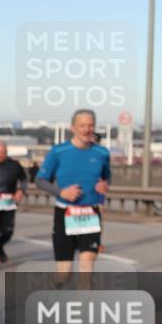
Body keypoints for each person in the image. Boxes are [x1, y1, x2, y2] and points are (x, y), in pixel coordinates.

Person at [35, 110, 111, 287]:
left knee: (86, 268)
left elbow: (107, 177)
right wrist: (61, 192)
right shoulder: (59, 151)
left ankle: (84, 311)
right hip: (65, 213)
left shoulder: (102, 152)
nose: (87, 129)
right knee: (64, 274)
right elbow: (40, 180)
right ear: (73, 128)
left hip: (90, 213)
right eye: (82, 125)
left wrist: (105, 185)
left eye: (90, 125)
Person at [0, 142, 29, 270]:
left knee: (7, 231)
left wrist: (21, 190)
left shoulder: (14, 165)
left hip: (9, 203)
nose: (1, 155)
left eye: (3, 152)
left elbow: (24, 179)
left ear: (7, 152)